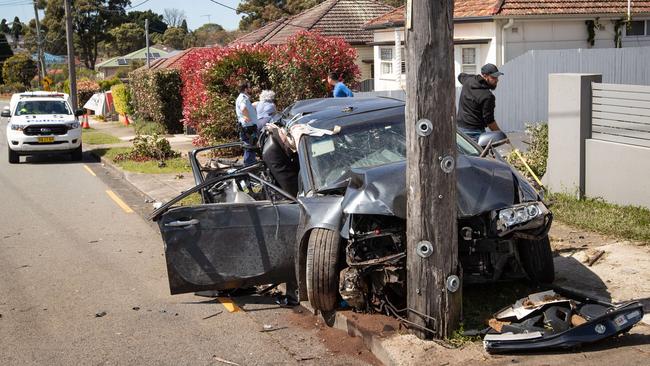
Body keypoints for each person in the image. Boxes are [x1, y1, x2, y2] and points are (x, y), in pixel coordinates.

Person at [456, 63, 505, 142]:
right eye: (493, 77)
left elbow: (460, 76)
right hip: (474, 133)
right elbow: (490, 121)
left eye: (497, 77)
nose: (497, 80)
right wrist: (502, 136)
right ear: (485, 76)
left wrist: (474, 77)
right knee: (478, 154)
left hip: (459, 131)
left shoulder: (468, 80)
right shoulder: (487, 96)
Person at [235, 80, 258, 165]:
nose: (250, 89)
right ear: (245, 89)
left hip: (248, 127)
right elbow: (243, 108)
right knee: (249, 147)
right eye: (249, 87)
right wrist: (247, 117)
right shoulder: (243, 98)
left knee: (249, 147)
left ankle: (250, 165)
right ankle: (249, 167)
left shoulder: (243, 98)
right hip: (248, 127)